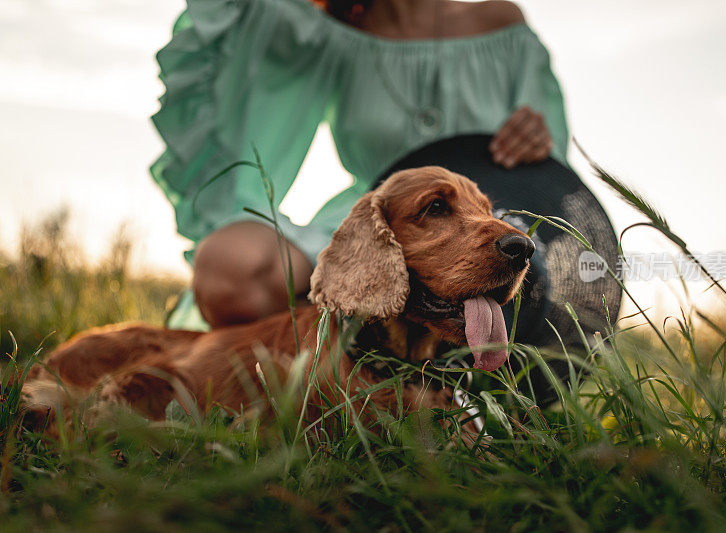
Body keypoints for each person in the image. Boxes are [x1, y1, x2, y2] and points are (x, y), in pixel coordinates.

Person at [151, 0, 568, 330]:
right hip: (373, 216)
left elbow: (555, 177)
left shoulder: (501, 22)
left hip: (490, 220)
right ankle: (300, 367)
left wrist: (536, 138)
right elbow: (243, 66)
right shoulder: (325, 31)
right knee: (233, 266)